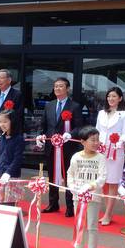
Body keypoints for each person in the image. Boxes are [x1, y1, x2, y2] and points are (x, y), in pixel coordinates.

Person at [37, 77, 84, 217]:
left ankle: (70, 206)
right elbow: (44, 125)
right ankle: (53, 203)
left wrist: (70, 134)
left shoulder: (74, 106)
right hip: (51, 147)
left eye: (61, 86)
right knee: (52, 176)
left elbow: (79, 127)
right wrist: (40, 135)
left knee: (68, 176)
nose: (57, 88)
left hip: (68, 148)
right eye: (55, 86)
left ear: (67, 89)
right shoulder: (49, 105)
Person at [67, 126, 107, 248]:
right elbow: (70, 173)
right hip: (78, 196)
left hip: (93, 197)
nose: (96, 143)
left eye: (97, 140)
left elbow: (102, 177)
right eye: (92, 140)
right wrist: (72, 187)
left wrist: (91, 186)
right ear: (83, 142)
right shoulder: (76, 157)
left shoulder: (101, 158)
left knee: (92, 225)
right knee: (79, 223)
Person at [95, 86, 125, 225]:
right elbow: (96, 131)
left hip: (116, 152)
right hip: (102, 150)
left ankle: (108, 214)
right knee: (103, 182)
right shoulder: (101, 113)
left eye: (114, 96)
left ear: (120, 98)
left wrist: (118, 142)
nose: (111, 98)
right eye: (109, 96)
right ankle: (107, 212)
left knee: (113, 182)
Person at [0, 109, 24, 204]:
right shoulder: (2, 138)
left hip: (11, 176)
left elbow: (17, 159)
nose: (2, 124)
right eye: (0, 122)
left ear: (12, 122)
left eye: (5, 121)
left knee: (9, 204)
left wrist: (8, 172)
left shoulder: (19, 139)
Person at [0, 69, 23, 136]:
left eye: (1, 78)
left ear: (9, 80)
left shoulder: (17, 95)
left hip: (8, 134)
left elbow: (18, 116)